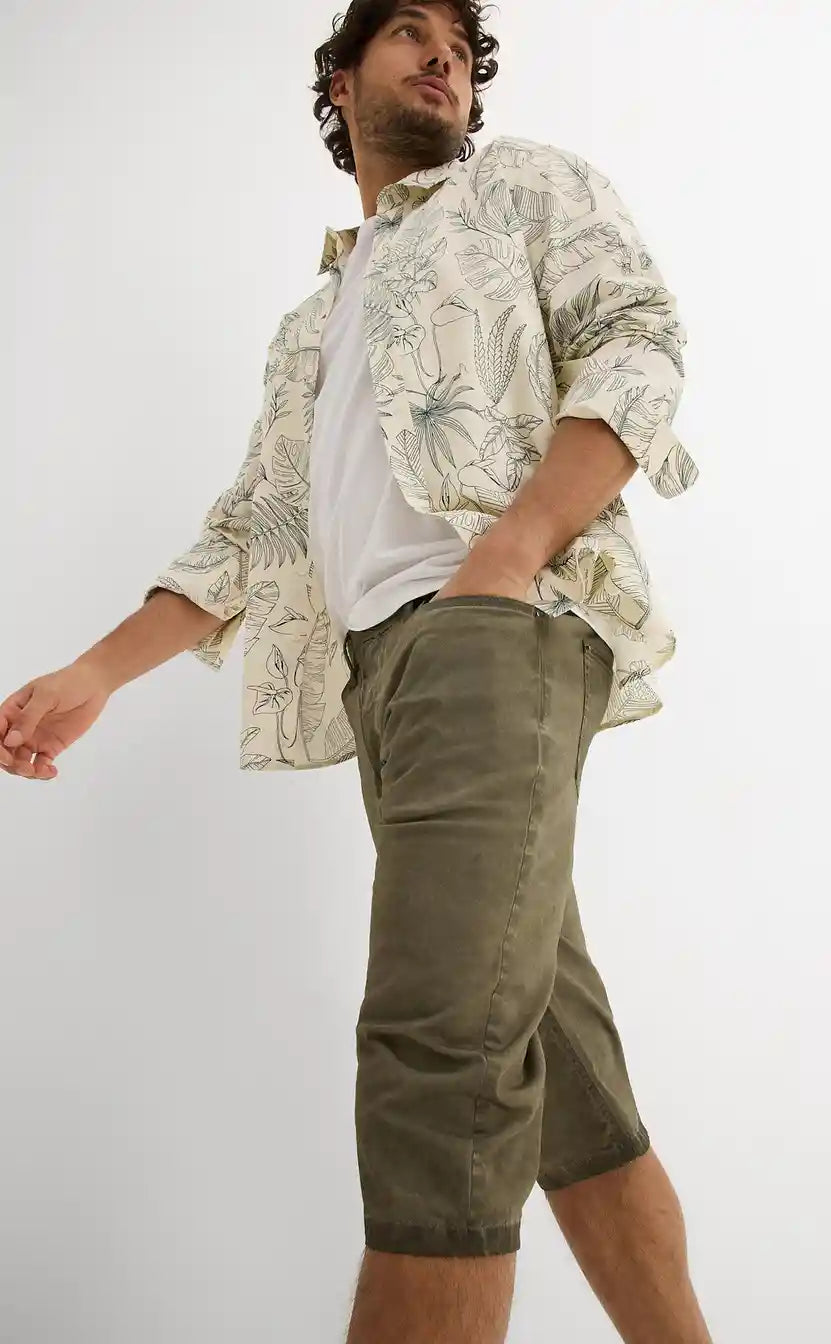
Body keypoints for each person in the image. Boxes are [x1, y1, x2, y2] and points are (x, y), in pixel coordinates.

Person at [1, 3, 713, 1341]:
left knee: (436, 1052)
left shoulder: (520, 189)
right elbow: (256, 525)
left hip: (495, 634)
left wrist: (511, 550)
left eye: (458, 45)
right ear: (341, 81)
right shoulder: (315, 322)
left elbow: (637, 341)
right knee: (556, 1075)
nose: (443, 56)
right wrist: (94, 672)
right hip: (383, 677)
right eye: (408, 33)